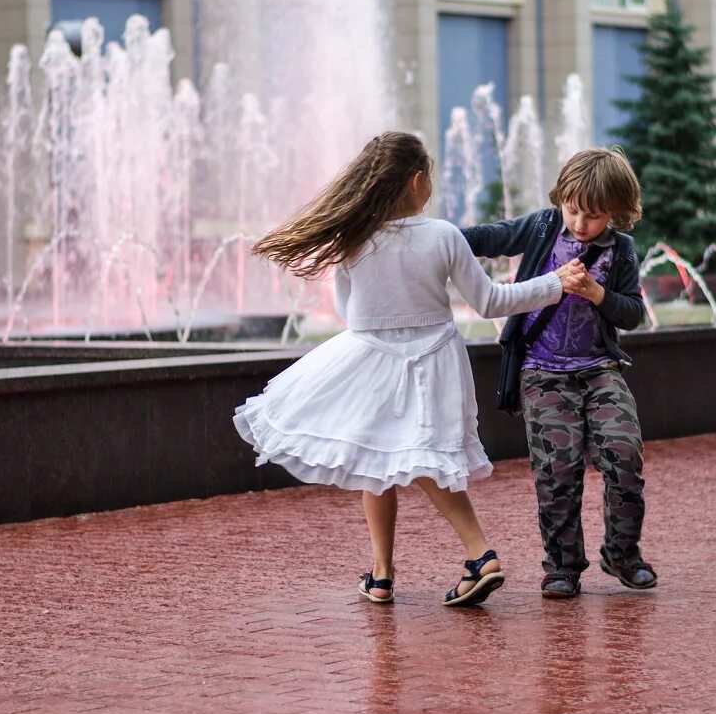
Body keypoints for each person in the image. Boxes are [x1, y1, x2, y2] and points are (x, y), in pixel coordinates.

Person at [234, 132, 584, 607]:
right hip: (434, 362)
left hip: (370, 361)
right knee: (396, 463)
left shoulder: (354, 238)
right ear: (418, 181)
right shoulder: (442, 235)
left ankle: (407, 570)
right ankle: (432, 564)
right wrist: (554, 284)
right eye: (431, 178)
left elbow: (348, 310)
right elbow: (489, 302)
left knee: (383, 459)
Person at [462, 147, 655, 599]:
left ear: (616, 211)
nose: (580, 223)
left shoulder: (620, 251)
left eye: (593, 215)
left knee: (624, 454)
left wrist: (596, 293)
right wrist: (432, 236)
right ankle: (562, 566)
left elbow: (633, 314)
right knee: (557, 468)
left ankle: (622, 553)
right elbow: (490, 238)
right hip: (542, 370)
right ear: (560, 200)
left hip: (599, 369)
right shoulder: (543, 227)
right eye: (572, 209)